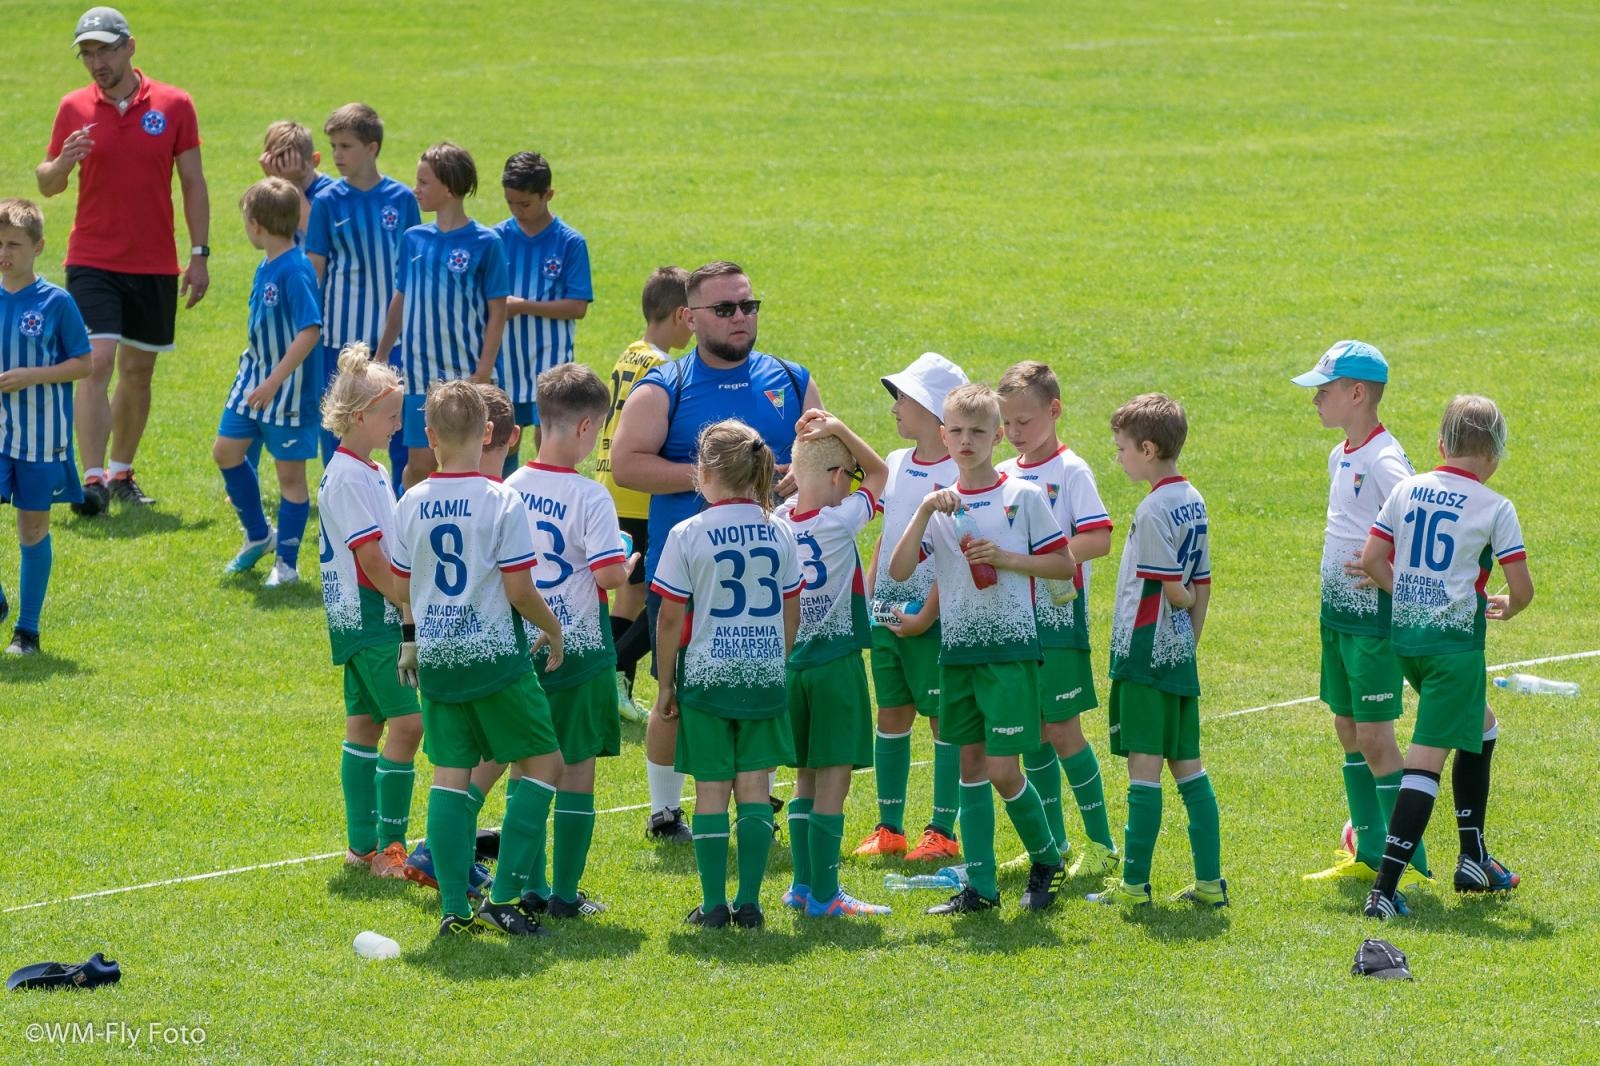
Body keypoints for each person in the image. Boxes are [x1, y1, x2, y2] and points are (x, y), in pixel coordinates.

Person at [610, 260, 820, 844]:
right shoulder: (665, 386)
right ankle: (663, 810)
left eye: (748, 306)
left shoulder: (790, 378)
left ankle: (757, 798)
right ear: (689, 317)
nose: (740, 318)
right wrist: (715, 481)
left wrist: (799, 478)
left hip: (769, 569)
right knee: (672, 691)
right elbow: (627, 464)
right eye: (725, 309)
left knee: (761, 680)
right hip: (689, 571)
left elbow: (820, 456)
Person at [888, 384, 1075, 915]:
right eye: (956, 431)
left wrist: (1009, 558)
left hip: (1010, 654)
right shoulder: (940, 503)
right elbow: (900, 571)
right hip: (958, 657)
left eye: (977, 432)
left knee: (1001, 769)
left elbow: (1063, 566)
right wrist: (923, 511)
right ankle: (983, 888)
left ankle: (1045, 858)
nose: (966, 441)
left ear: (997, 436)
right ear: (943, 435)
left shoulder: (1023, 497)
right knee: (969, 765)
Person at [390, 380, 566, 938]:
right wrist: (553, 627)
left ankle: (453, 910)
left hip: (437, 661)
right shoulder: (501, 500)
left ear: (430, 435)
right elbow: (518, 590)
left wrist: (411, 636)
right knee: (545, 763)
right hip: (494, 660)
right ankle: (505, 896)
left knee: (448, 778)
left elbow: (401, 586)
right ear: (490, 433)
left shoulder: (411, 501)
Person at [1359, 395, 1531, 919]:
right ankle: (1384, 892)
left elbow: (1371, 559)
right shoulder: (1495, 506)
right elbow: (1521, 589)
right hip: (1454, 651)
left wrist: (1408, 597)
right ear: (1496, 454)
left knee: (1482, 728)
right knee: (1425, 760)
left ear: (1441, 445)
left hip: (1407, 642)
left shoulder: (1408, 489)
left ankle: (1473, 858)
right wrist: (1507, 604)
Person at [38, 6, 210, 514]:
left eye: (105, 50)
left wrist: (198, 254)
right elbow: (47, 184)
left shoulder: (175, 105)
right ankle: (90, 481)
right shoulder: (73, 107)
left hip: (155, 262)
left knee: (138, 372)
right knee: (97, 363)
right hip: (92, 257)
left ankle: (121, 472)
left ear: (130, 46)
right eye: (87, 54)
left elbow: (193, 183)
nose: (96, 62)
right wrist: (63, 162)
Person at [649, 419, 803, 929]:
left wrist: (666, 682)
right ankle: (752, 904)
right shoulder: (780, 528)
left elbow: (670, 616)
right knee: (755, 788)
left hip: (709, 679)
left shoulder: (688, 532)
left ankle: (714, 905)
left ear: (707, 471)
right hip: (763, 676)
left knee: (712, 789)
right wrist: (774, 659)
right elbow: (791, 607)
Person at [1291, 341, 1431, 891]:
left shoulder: (1384, 459)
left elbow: (1418, 521)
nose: (1316, 401)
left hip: (1373, 621)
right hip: (1338, 618)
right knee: (1347, 727)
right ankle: (1369, 851)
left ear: (1356, 393)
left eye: (1323, 392)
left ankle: (1406, 857)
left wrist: (1385, 563)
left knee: (1375, 738)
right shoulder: (1341, 454)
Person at [505, 364, 633, 918]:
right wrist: (626, 564)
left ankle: (526, 886)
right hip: (578, 653)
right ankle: (564, 895)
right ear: (586, 428)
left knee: (524, 766)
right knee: (577, 768)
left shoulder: (507, 488)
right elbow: (607, 577)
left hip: (521, 651)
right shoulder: (591, 496)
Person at [1087, 394, 1225, 909]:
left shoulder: (1152, 509)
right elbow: (1204, 582)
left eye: (1121, 448)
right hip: (1177, 656)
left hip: (1143, 657)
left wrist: (1181, 601)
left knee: (1143, 772)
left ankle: (1132, 887)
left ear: (1147, 448)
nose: (1118, 457)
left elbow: (1176, 588)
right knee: (1189, 768)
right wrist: (1191, 638)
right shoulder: (1194, 498)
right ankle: (1210, 883)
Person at [996, 361, 1120, 877]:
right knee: (1033, 733)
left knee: (1064, 729)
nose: (1015, 431)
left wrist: (1040, 557)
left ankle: (1102, 844)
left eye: (1024, 420)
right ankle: (1052, 842)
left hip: (1058, 619)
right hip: (1014, 623)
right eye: (1007, 422)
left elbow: (1099, 538)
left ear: (1054, 410)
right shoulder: (1003, 473)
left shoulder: (1071, 471)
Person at [774, 410, 892, 918]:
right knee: (834, 781)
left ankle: (801, 887)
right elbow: (884, 473)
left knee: (803, 776)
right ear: (839, 477)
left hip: (790, 667)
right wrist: (842, 429)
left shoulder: (775, 521)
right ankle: (825, 895)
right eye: (850, 478)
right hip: (836, 664)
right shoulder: (842, 519)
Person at [854, 352, 968, 861]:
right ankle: (889, 827)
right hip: (887, 614)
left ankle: (942, 830)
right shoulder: (898, 462)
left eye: (903, 398)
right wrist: (868, 595)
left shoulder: (957, 472)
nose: (895, 407)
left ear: (932, 409)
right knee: (892, 712)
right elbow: (889, 533)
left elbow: (957, 554)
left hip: (934, 619)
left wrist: (927, 614)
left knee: (943, 718)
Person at [315, 345, 419, 877]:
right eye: (391, 415)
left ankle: (361, 846)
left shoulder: (368, 469)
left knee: (364, 725)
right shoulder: (352, 477)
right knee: (410, 723)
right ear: (360, 417)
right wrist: (408, 601)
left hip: (357, 619)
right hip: (373, 618)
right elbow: (372, 560)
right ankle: (390, 849)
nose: (398, 425)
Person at [375, 143, 508, 490]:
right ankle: (403, 533)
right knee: (419, 464)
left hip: (464, 375)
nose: (415, 189)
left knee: (467, 461)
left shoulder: (486, 242)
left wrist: (483, 371)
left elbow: (498, 312)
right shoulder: (413, 239)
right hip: (420, 376)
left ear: (448, 187)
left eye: (423, 182)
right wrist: (381, 355)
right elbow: (400, 301)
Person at [594, 266, 693, 723]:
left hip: (611, 486)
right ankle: (610, 671)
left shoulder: (629, 355)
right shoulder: (664, 367)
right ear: (680, 314)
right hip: (638, 494)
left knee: (629, 594)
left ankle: (616, 690)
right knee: (658, 593)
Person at [213, 178, 322, 587]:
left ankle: (288, 565)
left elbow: (310, 331)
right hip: (252, 377)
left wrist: (275, 381)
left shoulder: (295, 270)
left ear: (256, 225)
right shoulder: (269, 262)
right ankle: (260, 536)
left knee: (290, 478)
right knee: (226, 451)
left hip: (286, 389)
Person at [305, 103, 420, 480]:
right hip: (339, 338)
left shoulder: (402, 200)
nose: (336, 155)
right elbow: (315, 271)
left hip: (394, 336)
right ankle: (338, 490)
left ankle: (400, 506)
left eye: (346, 146)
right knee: (338, 421)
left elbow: (412, 270)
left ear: (372, 148)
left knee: (396, 421)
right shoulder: (327, 201)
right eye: (333, 146)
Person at [0, 198, 92, 657]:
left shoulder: (56, 302)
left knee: (32, 529)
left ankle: (27, 632)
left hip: (39, 438)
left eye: (13, 244)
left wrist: (31, 376)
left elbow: (85, 364)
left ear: (38, 247)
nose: (4, 253)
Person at [494, 152, 592, 469]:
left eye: (525, 204)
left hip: (550, 361)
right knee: (502, 441)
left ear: (547, 194)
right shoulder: (495, 239)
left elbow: (577, 306)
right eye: (511, 203)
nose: (517, 211)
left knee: (547, 442)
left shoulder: (570, 243)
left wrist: (522, 306)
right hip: (503, 361)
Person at [257, 120, 332, 241]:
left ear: (315, 160)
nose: (284, 181)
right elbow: (259, 240)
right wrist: (275, 185)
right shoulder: (273, 189)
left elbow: (315, 234)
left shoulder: (330, 193)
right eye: (279, 173)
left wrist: (293, 184)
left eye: (297, 174)